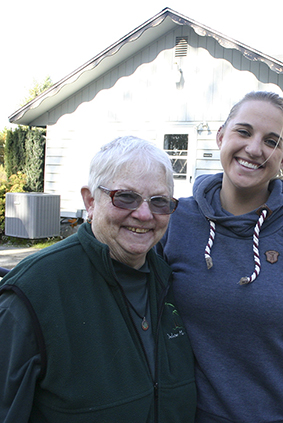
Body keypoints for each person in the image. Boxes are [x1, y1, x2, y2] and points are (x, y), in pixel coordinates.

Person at [157, 91, 283, 422]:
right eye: (243, 132)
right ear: (221, 136)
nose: (254, 148)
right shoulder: (175, 220)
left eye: (271, 141)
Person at [0, 136, 197, 422]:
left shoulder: (170, 281)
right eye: (126, 197)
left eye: (159, 202)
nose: (144, 214)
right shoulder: (33, 293)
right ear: (91, 201)